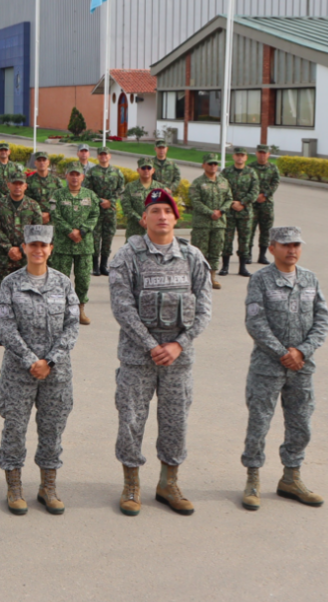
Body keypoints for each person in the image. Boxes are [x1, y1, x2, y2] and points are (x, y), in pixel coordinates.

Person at [107, 188, 212, 516]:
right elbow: (122, 306)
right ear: (144, 218)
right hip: (139, 358)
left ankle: (169, 483)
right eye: (155, 210)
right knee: (131, 419)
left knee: (176, 420)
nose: (162, 216)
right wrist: (153, 346)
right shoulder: (127, 255)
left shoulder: (192, 257)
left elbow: (205, 308)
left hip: (178, 358)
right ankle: (131, 484)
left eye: (168, 210)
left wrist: (178, 343)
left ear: (176, 217)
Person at [240, 226, 328, 511]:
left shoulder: (310, 279)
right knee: (259, 423)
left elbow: (322, 320)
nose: (292, 250)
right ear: (271, 248)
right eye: (285, 245)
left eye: (296, 245)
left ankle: (291, 477)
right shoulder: (260, 280)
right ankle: (253, 478)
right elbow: (255, 322)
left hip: (302, 367)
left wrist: (302, 351)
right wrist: (283, 353)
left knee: (301, 423)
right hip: (268, 366)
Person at [0, 224, 79, 515]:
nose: (38, 250)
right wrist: (31, 359)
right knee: (15, 428)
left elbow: (72, 325)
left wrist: (50, 360)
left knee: (53, 428)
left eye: (44, 245)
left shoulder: (63, 283)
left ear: (51, 249)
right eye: (33, 245)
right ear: (25, 247)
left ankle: (48, 486)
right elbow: (5, 327)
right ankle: (14, 486)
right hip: (19, 372)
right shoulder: (10, 283)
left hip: (56, 373)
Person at [49, 165, 99, 326]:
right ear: (66, 176)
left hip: (84, 245)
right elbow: (55, 215)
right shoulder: (57, 195)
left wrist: (82, 231)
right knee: (61, 279)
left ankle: (80, 309)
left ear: (82, 177)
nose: (75, 177)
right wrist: (69, 231)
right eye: (71, 174)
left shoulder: (90, 196)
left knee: (83, 279)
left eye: (78, 174)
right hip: (63, 244)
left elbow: (94, 214)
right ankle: (61, 311)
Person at [0, 174, 45, 302]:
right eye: (14, 183)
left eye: (20, 184)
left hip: (25, 260)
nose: (17, 187)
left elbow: (37, 231)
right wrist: (9, 248)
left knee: (25, 299)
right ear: (9, 185)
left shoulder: (33, 206)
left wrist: (20, 249)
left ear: (25, 186)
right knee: (2, 298)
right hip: (3, 258)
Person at [189, 154, 233, 290]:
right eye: (210, 164)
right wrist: (210, 212)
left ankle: (212, 277)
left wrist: (221, 211)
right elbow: (195, 201)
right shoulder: (197, 183)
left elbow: (229, 199)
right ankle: (198, 278)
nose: (213, 166)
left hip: (219, 223)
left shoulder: (223, 182)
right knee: (199, 252)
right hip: (202, 224)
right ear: (204, 165)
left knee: (215, 251)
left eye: (215, 164)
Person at [221, 147, 261, 278]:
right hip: (229, 211)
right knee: (227, 239)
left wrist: (243, 203)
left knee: (245, 239)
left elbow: (255, 191)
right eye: (237, 155)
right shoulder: (226, 172)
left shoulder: (251, 173)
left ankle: (242, 267)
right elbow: (221, 189)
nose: (240, 157)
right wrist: (232, 203)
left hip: (245, 212)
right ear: (233, 157)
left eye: (242, 155)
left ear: (246, 158)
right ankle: (225, 266)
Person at [85, 146, 125, 277]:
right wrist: (99, 201)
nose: (103, 157)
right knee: (95, 239)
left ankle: (104, 265)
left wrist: (111, 202)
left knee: (108, 239)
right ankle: (95, 266)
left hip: (110, 211)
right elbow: (87, 190)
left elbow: (120, 189)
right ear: (98, 156)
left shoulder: (117, 172)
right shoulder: (92, 172)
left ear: (109, 156)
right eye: (101, 155)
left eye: (105, 155)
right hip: (96, 210)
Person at [250, 145, 281, 264]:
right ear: (256, 153)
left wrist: (265, 195)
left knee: (266, 231)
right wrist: (255, 196)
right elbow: (247, 183)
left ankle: (262, 255)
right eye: (260, 152)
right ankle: (247, 254)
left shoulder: (273, 168)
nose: (262, 155)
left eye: (265, 153)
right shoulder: (250, 167)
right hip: (252, 204)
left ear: (268, 154)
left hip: (266, 204)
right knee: (249, 230)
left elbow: (276, 182)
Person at [121, 158, 163, 240]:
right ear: (138, 170)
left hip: (154, 230)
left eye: (149, 168)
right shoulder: (130, 187)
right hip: (134, 231)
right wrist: (139, 219)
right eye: (143, 168)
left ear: (153, 170)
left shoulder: (160, 188)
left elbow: (165, 208)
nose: (146, 170)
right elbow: (126, 207)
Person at [25, 152, 62, 224]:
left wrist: (49, 213)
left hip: (52, 220)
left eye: (44, 160)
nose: (42, 163)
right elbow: (26, 201)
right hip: (34, 220)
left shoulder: (56, 181)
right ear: (35, 163)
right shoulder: (29, 181)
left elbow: (61, 200)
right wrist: (38, 214)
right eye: (39, 160)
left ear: (48, 162)